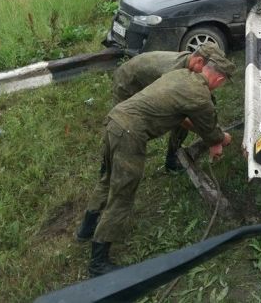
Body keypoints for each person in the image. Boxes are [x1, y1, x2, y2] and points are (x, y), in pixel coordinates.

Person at [76, 55, 236, 277]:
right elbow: (210, 129)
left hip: (116, 121)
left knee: (108, 178)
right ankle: (98, 262)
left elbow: (184, 119)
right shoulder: (199, 95)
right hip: (130, 133)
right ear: (219, 79)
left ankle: (86, 229)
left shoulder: (181, 75)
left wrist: (213, 137)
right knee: (123, 193)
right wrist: (220, 140)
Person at [111, 43, 228, 172]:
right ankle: (111, 168)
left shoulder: (191, 66)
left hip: (144, 77)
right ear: (199, 61)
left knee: (185, 111)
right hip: (128, 83)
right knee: (124, 130)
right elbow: (182, 118)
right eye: (208, 68)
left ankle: (172, 159)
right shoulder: (173, 72)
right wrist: (213, 137)